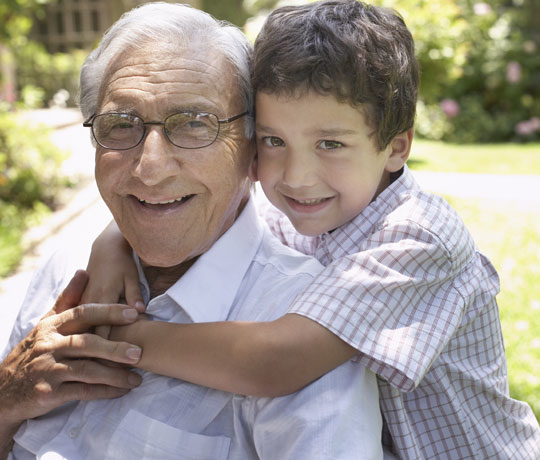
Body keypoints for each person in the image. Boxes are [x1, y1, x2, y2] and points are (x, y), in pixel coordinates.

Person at [84, 1, 540, 459]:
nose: (296, 176)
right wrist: (115, 240)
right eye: (273, 141)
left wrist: (117, 338)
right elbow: (191, 205)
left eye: (330, 144)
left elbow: (275, 362)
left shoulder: (418, 238)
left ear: (397, 146)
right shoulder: (303, 210)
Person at [0, 3, 385, 459]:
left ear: (253, 149)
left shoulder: (301, 324)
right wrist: (9, 396)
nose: (150, 168)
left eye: (194, 124)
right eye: (121, 125)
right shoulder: (71, 269)